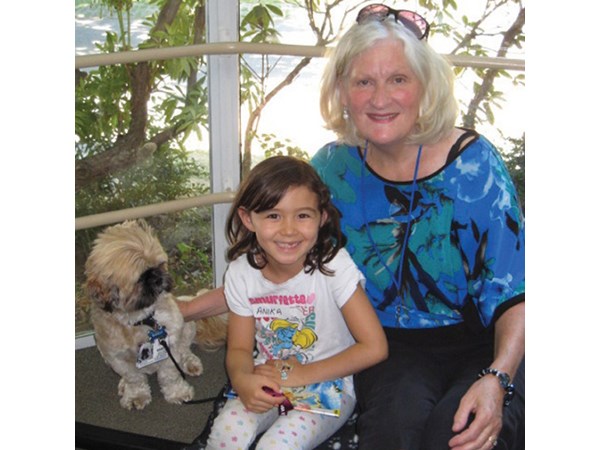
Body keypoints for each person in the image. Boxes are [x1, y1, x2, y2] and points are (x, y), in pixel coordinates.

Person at [180, 4, 525, 450]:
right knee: (390, 435)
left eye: (398, 79)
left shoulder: (474, 166)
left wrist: (498, 379)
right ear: (342, 90)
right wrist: (181, 310)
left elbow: (514, 288)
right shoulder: (331, 168)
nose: (379, 99)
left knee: (461, 436)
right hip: (385, 343)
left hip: (484, 337)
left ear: (425, 87)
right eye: (363, 81)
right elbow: (272, 263)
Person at [204, 156, 388, 450]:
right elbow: (239, 348)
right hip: (267, 374)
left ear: (322, 217)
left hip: (329, 382)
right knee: (225, 434)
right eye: (273, 216)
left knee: (276, 446)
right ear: (248, 218)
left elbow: (375, 347)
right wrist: (242, 381)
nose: (288, 230)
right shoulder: (241, 273)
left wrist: (300, 375)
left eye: (302, 215)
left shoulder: (334, 266)